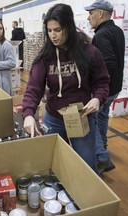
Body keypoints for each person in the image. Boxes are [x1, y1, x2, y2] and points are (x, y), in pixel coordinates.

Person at [22, 4, 110, 174]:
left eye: (58, 30)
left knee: (85, 167)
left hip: (82, 116)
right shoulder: (45, 58)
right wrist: (28, 115)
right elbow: (34, 88)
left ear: (69, 27)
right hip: (54, 119)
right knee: (55, 166)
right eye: (49, 31)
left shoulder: (89, 52)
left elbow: (102, 82)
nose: (53, 35)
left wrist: (97, 98)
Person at [84, 0, 125, 174]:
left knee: (91, 120)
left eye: (91, 13)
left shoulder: (101, 36)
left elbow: (108, 62)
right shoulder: (116, 31)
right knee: (102, 117)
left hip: (104, 89)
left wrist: (98, 88)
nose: (88, 17)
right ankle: (103, 145)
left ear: (100, 14)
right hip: (115, 88)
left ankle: (101, 158)